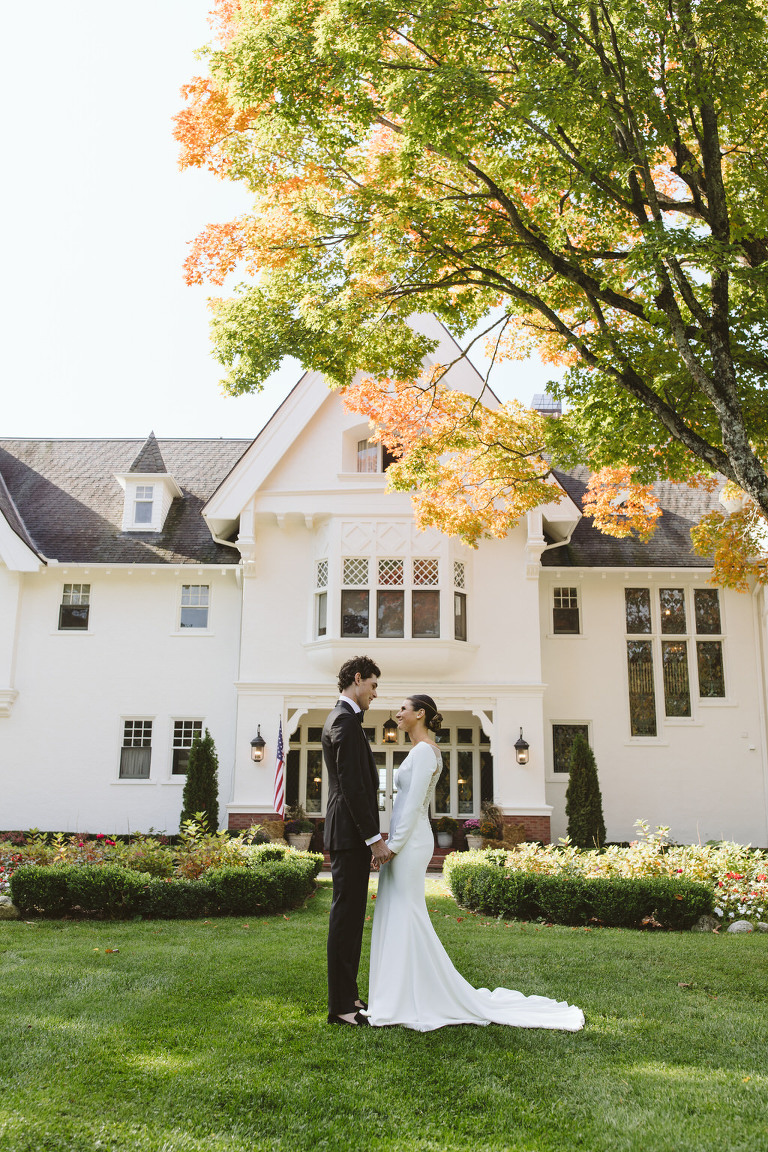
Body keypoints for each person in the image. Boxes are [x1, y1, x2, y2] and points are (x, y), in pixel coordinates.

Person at [364, 694, 585, 1032]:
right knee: (394, 911)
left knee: (406, 912)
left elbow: (411, 809)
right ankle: (395, 993)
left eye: (403, 709)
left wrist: (392, 845)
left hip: (410, 843)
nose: (397, 713)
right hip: (402, 841)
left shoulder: (425, 752)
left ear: (419, 714)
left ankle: (409, 997)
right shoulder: (420, 751)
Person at [322, 655, 392, 1026]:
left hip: (349, 835)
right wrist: (373, 840)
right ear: (358, 679)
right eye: (374, 686)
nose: (375, 694)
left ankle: (347, 996)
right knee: (346, 918)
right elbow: (353, 788)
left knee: (349, 917)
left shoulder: (343, 719)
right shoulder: (345, 723)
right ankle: (342, 1007)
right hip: (350, 835)